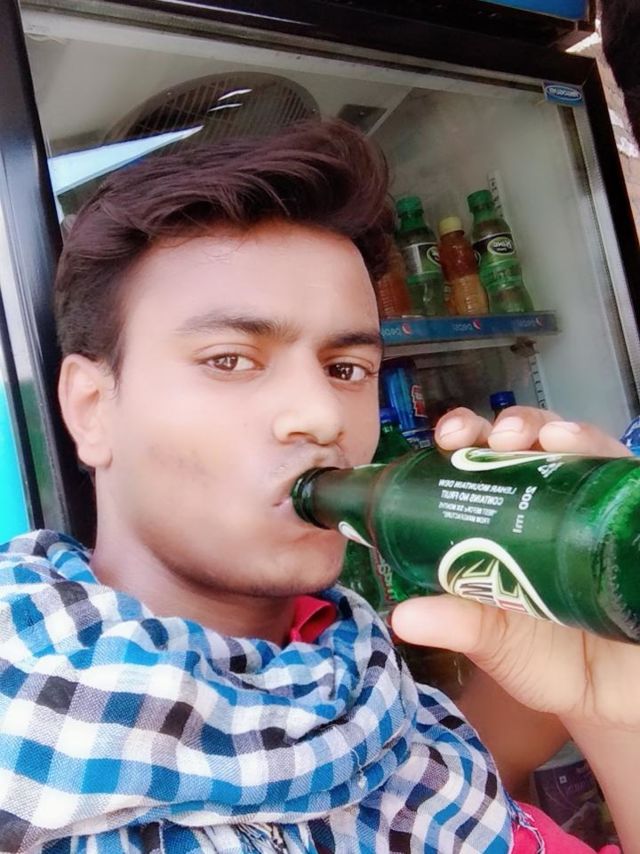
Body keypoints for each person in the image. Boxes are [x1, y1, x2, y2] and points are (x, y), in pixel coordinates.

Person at [0, 119, 633, 852]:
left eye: (346, 369)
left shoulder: (401, 728)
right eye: (230, 359)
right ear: (91, 408)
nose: (322, 414)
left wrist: (613, 709)